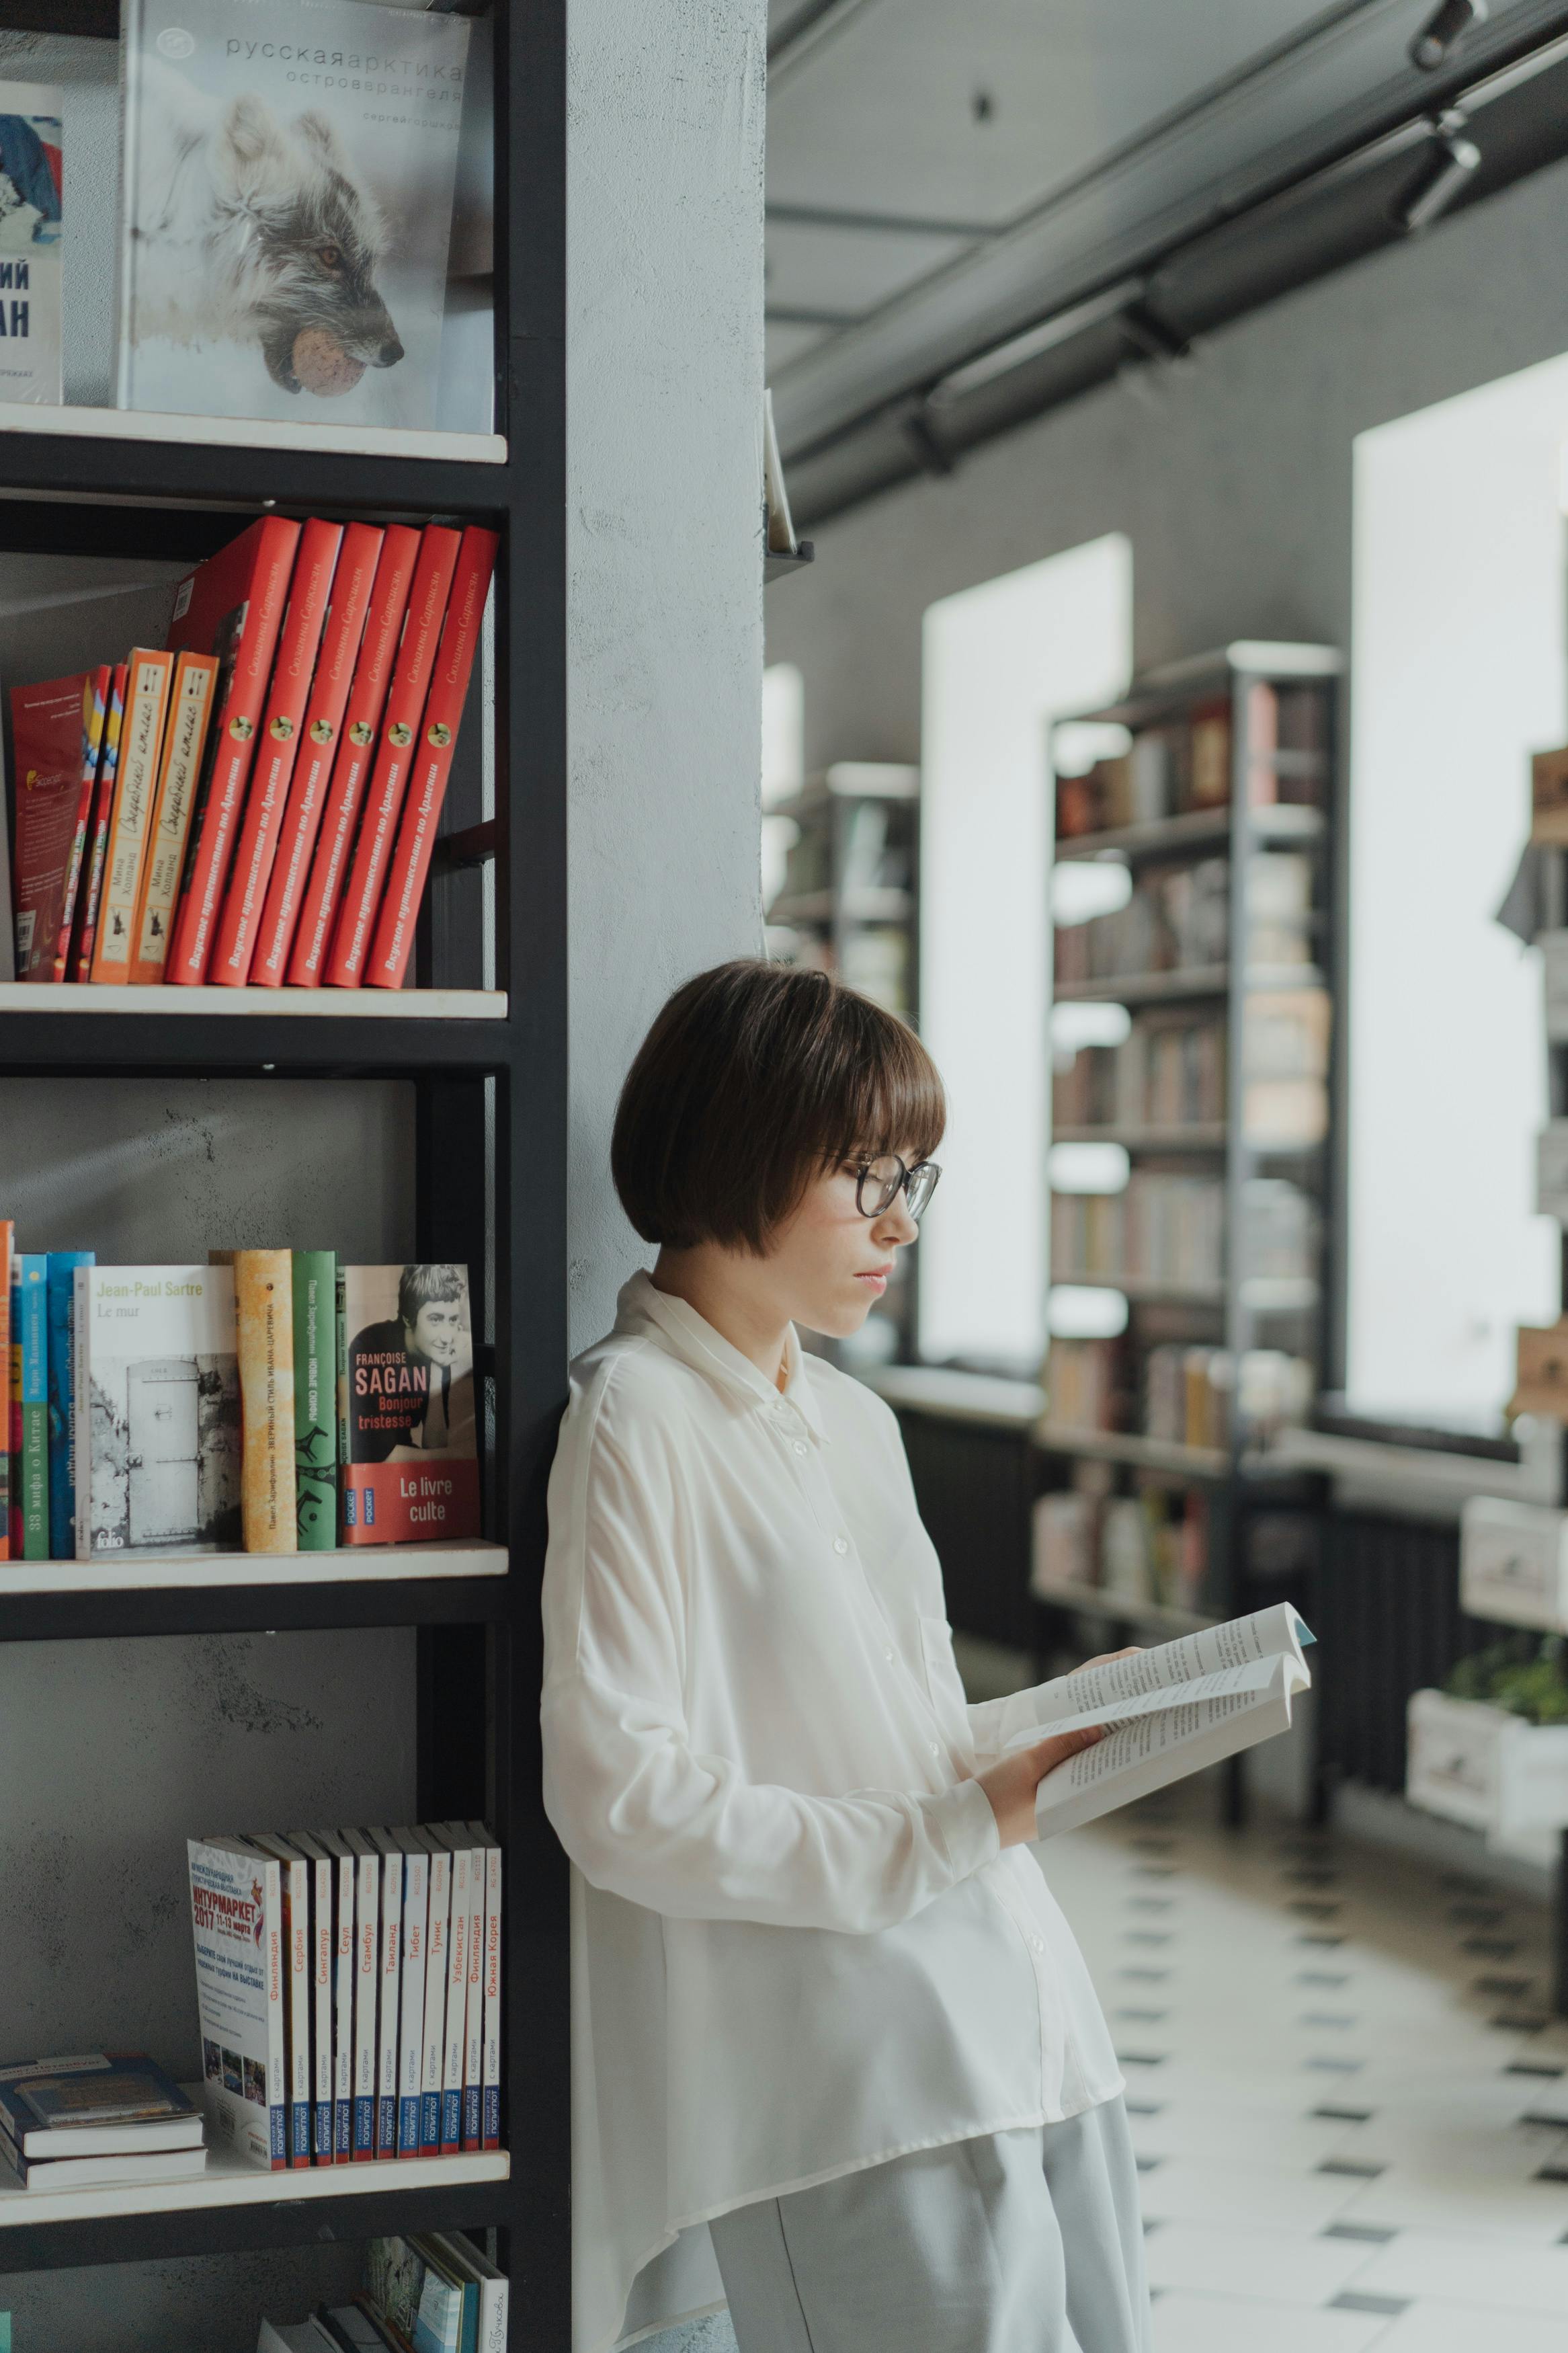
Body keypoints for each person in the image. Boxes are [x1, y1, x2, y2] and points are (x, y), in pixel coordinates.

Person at [541, 960, 1151, 2353]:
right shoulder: (634, 1416)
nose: (899, 1223)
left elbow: (901, 1736)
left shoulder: (854, 1421)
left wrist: (1046, 1739)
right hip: (860, 2077)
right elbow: (619, 1796)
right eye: (865, 1176)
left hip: (1034, 2023)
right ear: (737, 1153)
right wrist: (951, 1827)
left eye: (912, 1179)